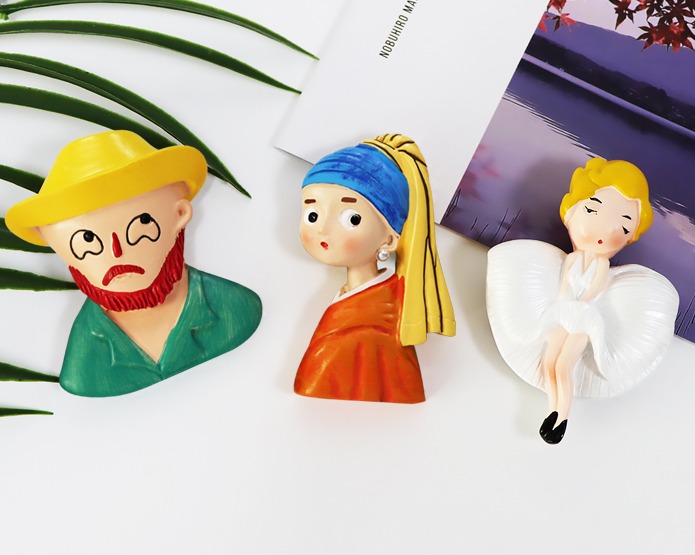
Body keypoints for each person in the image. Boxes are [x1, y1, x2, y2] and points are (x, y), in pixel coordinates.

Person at [5, 130, 262, 397]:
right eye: (88, 239)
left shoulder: (235, 307)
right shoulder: (84, 365)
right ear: (55, 246)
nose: (117, 253)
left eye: (141, 224)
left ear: (180, 214)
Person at [486, 158, 678, 443]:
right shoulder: (573, 260)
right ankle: (552, 410)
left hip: (584, 320)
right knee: (550, 362)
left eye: (624, 226)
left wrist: (578, 307)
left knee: (564, 364)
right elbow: (565, 285)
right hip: (562, 313)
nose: (605, 231)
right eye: (592, 210)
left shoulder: (601, 265)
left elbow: (594, 291)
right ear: (571, 211)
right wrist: (563, 305)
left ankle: (561, 417)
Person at [294, 133, 456, 403]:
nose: (322, 229)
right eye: (313, 215)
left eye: (352, 218)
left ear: (391, 239)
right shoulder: (369, 306)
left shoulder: (377, 324)